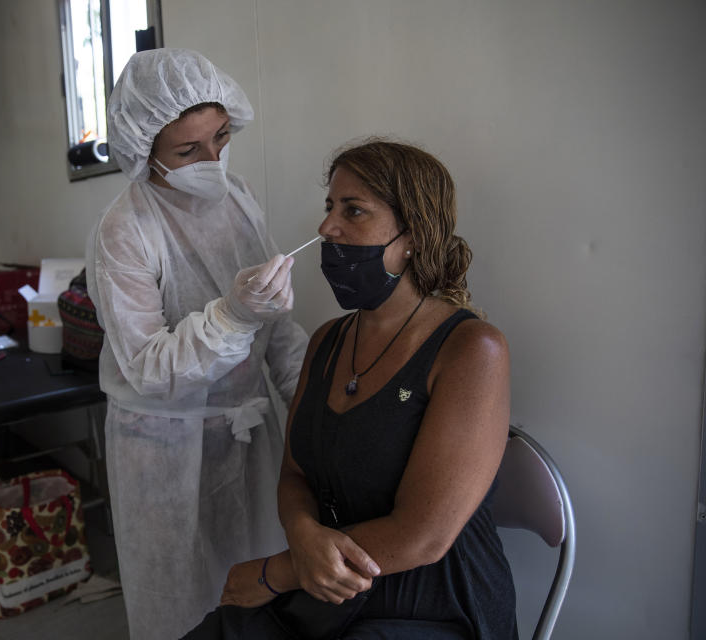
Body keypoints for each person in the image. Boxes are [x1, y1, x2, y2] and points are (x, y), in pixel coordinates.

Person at [184, 139, 517, 639]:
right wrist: (301, 536)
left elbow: (423, 536)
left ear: (413, 237)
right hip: (327, 584)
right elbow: (296, 474)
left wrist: (278, 573)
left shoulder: (472, 350)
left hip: (427, 601)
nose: (325, 228)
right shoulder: (327, 340)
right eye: (329, 207)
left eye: (353, 210)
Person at [85, 48, 309, 640]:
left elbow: (278, 330)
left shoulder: (238, 197)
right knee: (183, 609)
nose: (212, 158)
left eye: (221, 136)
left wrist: (313, 399)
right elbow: (148, 367)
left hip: (249, 433)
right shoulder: (125, 229)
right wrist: (233, 316)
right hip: (166, 451)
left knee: (257, 595)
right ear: (144, 150)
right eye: (188, 150)